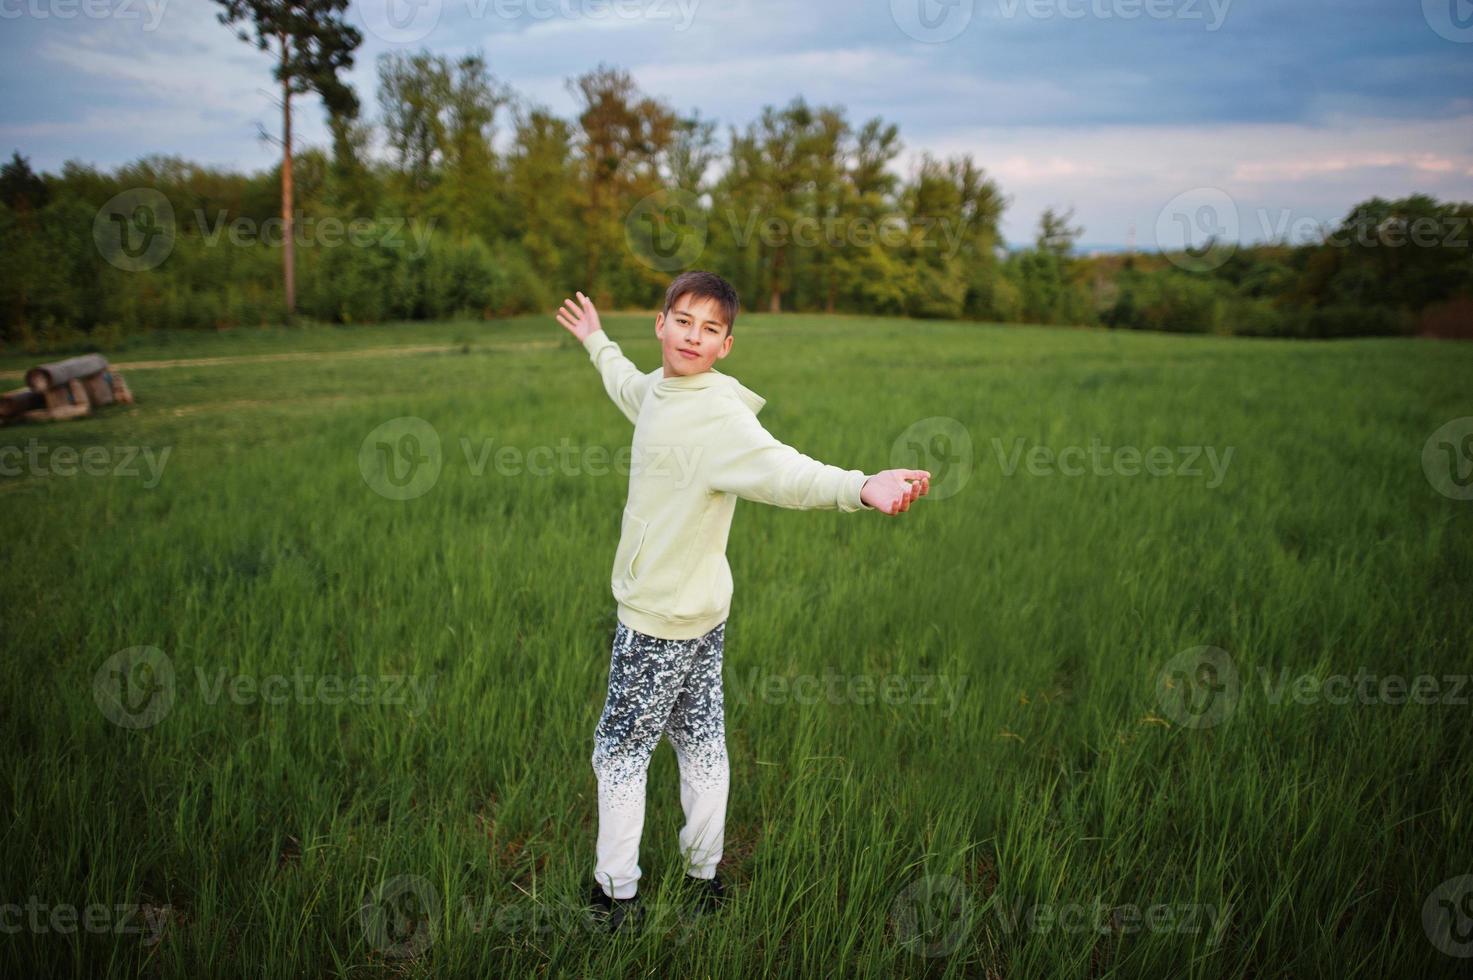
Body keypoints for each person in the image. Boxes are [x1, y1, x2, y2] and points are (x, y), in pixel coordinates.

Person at [555, 270, 930, 933]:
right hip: (702, 614)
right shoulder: (659, 392)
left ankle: (615, 900)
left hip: (659, 621)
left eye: (711, 328)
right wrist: (594, 340)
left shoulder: (718, 417)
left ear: (726, 345)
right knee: (701, 745)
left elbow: (784, 471)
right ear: (661, 324)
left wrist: (862, 484)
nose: (693, 336)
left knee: (618, 754)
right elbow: (628, 388)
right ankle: (704, 882)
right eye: (684, 321)